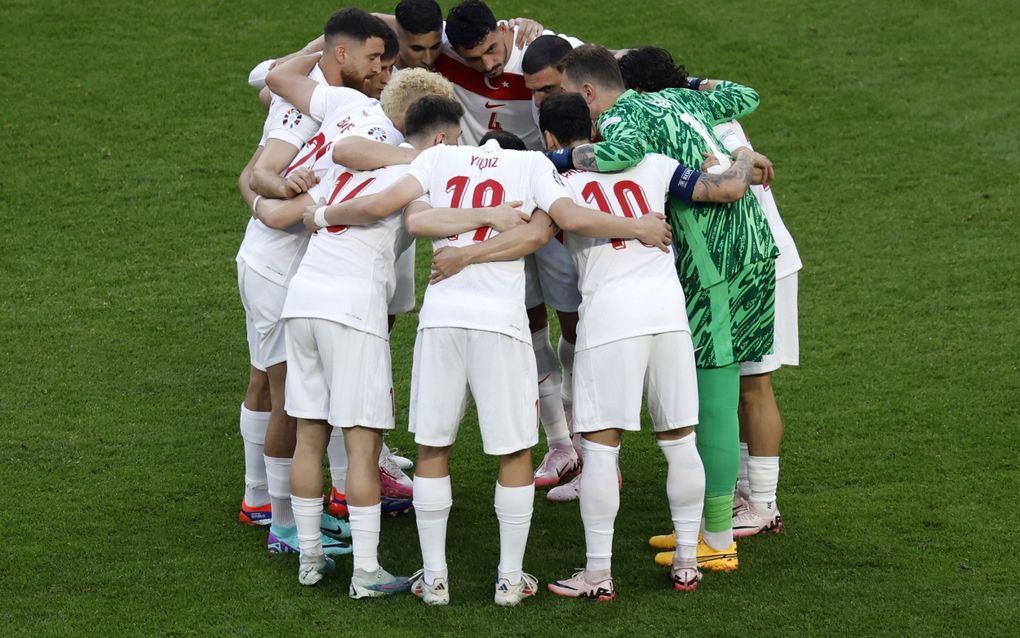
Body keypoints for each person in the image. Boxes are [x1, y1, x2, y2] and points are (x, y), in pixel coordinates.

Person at [304, 131, 672, 606]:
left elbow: (416, 219)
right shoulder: (533, 166)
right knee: (515, 450)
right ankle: (510, 581)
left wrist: (461, 250)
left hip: (441, 320)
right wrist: (636, 226)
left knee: (433, 447)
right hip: (501, 321)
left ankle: (435, 580)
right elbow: (547, 229)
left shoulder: (438, 158)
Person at [551, 45, 777, 572]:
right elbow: (746, 95)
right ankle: (703, 528)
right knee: (708, 393)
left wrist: (555, 158)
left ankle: (716, 539)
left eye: (568, 98)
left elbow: (617, 155)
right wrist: (702, 93)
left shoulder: (625, 116)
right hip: (746, 249)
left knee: (715, 399)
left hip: (714, 263)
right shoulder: (678, 98)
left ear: (587, 94)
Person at [253, 95, 465, 595]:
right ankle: (366, 572)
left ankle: (309, 557)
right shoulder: (418, 174)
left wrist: (285, 202)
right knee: (362, 441)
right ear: (438, 140)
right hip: (352, 310)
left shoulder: (352, 164)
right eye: (454, 142)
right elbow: (403, 215)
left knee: (310, 430)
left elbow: (341, 153)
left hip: (302, 301)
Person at [615, 46, 802, 539]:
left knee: (748, 387)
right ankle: (737, 500)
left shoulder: (661, 121)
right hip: (750, 252)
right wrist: (693, 84)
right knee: (728, 390)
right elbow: (745, 94)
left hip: (740, 261)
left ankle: (759, 504)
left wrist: (741, 157)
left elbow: (728, 185)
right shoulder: (702, 106)